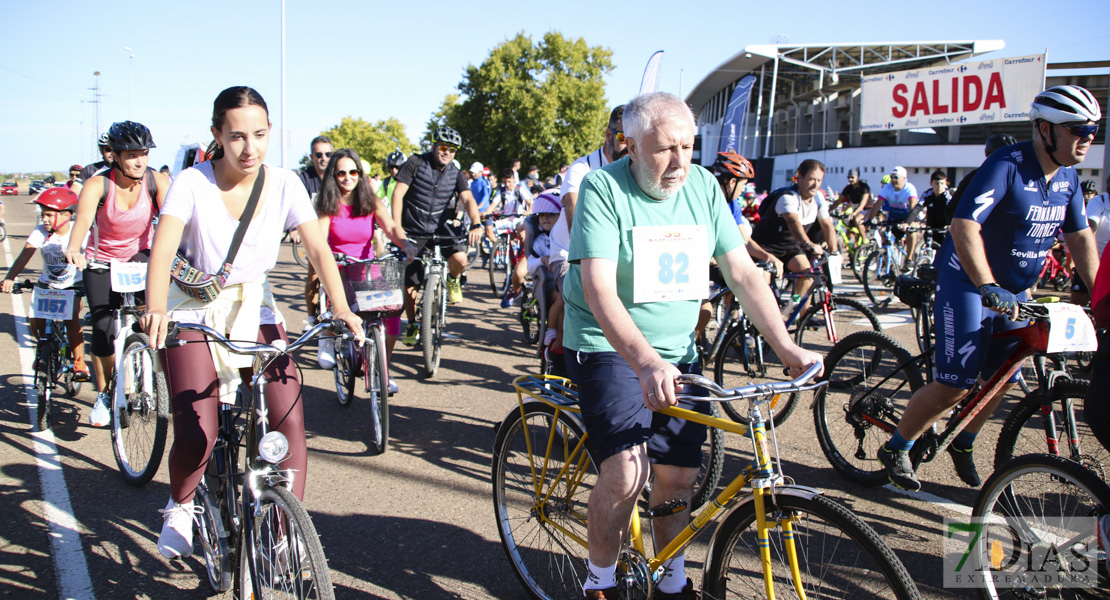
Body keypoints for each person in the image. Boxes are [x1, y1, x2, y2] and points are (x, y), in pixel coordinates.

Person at [563, 92, 821, 599]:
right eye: (664, 149)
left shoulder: (703, 186)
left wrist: (788, 348)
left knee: (679, 477)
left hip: (676, 348)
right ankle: (599, 580)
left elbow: (742, 273)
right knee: (626, 472)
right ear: (629, 146)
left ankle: (672, 577)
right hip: (608, 343)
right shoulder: (602, 189)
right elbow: (598, 289)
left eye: (688, 146)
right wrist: (643, 360)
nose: (680, 162)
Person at [139, 86, 362, 559]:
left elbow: (318, 248)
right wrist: (155, 306)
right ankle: (180, 505)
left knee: (287, 416)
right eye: (237, 136)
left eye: (259, 134)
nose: (250, 148)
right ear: (217, 134)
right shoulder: (192, 183)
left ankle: (285, 531)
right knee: (198, 428)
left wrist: (341, 308)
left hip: (253, 306)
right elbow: (162, 247)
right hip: (193, 307)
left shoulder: (284, 183)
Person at [879, 84, 1101, 492]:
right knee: (955, 383)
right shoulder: (1007, 164)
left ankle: (962, 442)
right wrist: (986, 284)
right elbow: (964, 225)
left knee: (1005, 376)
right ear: (1045, 130)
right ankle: (898, 446)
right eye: (1078, 129)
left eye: (1094, 130)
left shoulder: (1068, 177)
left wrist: (1103, 296)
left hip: (1016, 293)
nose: (1088, 138)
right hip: (968, 283)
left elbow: (1081, 238)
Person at [65, 120, 171, 427]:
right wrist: (74, 248)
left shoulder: (156, 182)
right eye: (131, 154)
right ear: (115, 156)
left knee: (153, 318)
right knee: (102, 330)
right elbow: (83, 221)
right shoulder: (98, 185)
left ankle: (158, 381)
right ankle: (106, 392)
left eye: (144, 153)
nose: (140, 161)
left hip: (139, 257)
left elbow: (172, 221)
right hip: (101, 261)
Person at [308, 148, 413, 392]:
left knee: (393, 315)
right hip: (339, 269)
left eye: (353, 171)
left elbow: (390, 227)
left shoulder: (370, 201)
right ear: (333, 176)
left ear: (360, 173)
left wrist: (405, 244)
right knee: (348, 320)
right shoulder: (327, 205)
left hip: (367, 269)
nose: (348, 177)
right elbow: (320, 239)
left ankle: (380, 370)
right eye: (341, 173)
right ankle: (328, 336)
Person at [391, 126, 491, 343]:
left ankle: (452, 280)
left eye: (452, 149)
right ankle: (412, 324)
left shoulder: (455, 173)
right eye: (444, 147)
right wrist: (397, 227)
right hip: (414, 227)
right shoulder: (415, 163)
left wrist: (476, 223)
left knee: (460, 258)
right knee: (409, 284)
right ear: (434, 145)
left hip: (441, 226)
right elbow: (398, 194)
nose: (447, 152)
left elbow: (468, 199)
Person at [2, 188, 89, 380]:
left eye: (49, 214)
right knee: (36, 323)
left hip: (71, 286)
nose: (45, 219)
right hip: (47, 284)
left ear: (67, 215)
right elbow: (24, 256)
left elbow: (93, 256)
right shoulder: (41, 231)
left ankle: (79, 362)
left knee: (71, 320)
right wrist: (10, 278)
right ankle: (44, 348)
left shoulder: (79, 232)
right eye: (43, 215)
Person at [749, 159, 839, 305]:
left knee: (807, 275)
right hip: (765, 247)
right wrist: (809, 244)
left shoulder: (819, 198)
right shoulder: (788, 197)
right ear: (800, 178)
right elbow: (793, 222)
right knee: (763, 288)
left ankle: (799, 316)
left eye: (819, 180)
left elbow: (827, 225)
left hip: (790, 248)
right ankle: (759, 323)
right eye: (811, 179)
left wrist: (834, 252)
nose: (815, 184)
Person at [947, 133, 1018, 224]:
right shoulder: (974, 177)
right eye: (1003, 156)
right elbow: (952, 211)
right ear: (990, 155)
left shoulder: (1017, 178)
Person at [865, 166, 921, 262]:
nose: (893, 180)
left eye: (896, 177)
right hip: (893, 218)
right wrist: (869, 220)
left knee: (912, 231)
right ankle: (890, 264)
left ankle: (909, 259)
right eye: (892, 177)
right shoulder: (887, 187)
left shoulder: (909, 188)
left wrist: (907, 223)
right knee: (883, 234)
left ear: (904, 179)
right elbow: (878, 204)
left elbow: (913, 207)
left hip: (907, 218)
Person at [1071, 176, 1109, 306]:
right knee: (1077, 306)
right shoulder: (1100, 201)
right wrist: (1089, 232)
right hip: (1093, 261)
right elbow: (1091, 225)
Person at [918, 170, 952, 245]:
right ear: (931, 183)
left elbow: (953, 210)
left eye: (942, 183)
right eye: (936, 183)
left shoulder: (948, 196)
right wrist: (908, 222)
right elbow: (917, 208)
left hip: (945, 229)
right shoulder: (927, 194)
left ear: (945, 184)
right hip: (931, 228)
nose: (939, 186)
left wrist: (951, 224)